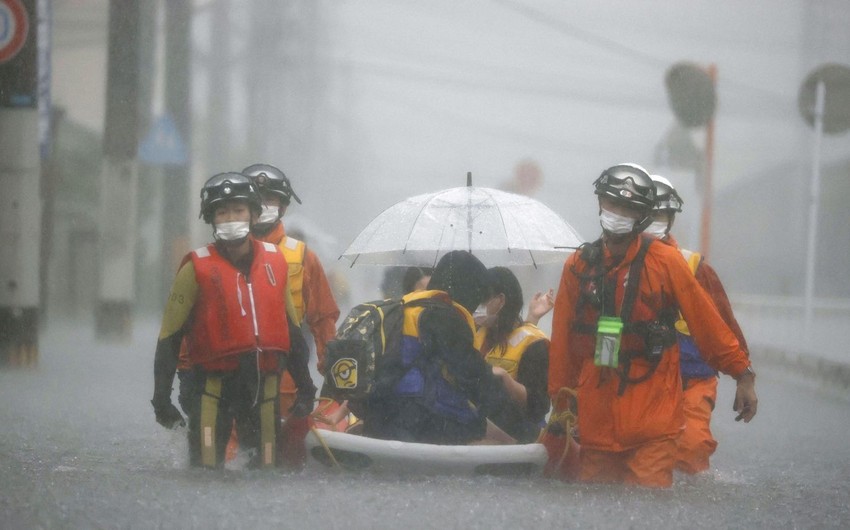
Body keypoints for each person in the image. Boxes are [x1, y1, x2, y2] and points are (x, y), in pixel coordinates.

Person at [548, 163, 758, 488]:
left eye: (627, 207)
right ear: (600, 204)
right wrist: (561, 403)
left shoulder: (667, 262)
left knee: (648, 506)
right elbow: (563, 341)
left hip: (653, 413)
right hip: (597, 415)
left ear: (641, 216)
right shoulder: (578, 266)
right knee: (593, 503)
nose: (616, 212)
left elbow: (709, 325)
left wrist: (742, 374)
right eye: (612, 203)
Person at [150, 172, 316, 469]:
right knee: (206, 470)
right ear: (211, 219)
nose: (230, 218)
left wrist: (305, 386)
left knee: (266, 471)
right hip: (213, 389)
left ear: (253, 214)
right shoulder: (195, 267)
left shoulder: (276, 261)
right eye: (222, 212)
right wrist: (161, 398)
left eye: (238, 210)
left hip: (263, 389)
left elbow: (292, 330)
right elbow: (169, 337)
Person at [647, 174, 750, 474]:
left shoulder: (694, 267)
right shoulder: (612, 264)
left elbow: (725, 326)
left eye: (659, 214)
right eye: (647, 213)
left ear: (670, 219)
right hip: (638, 382)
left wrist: (744, 376)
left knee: (690, 448)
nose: (652, 220)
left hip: (692, 381)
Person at [362, 250, 513, 445]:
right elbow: (474, 377)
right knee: (485, 432)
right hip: (419, 421)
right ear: (468, 287)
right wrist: (510, 411)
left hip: (378, 417)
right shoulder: (445, 316)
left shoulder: (405, 306)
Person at [242, 164, 340, 404]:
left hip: (286, 378)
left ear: (283, 207)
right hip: (230, 377)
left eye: (269, 199)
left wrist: (331, 377)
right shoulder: (220, 255)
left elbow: (323, 319)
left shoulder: (303, 256)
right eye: (255, 199)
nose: (261, 205)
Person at [473, 267, 552, 443]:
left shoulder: (534, 344)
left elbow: (539, 406)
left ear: (501, 301)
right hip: (480, 426)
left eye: (483, 299)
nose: (476, 305)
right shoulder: (475, 332)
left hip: (518, 432)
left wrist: (505, 380)